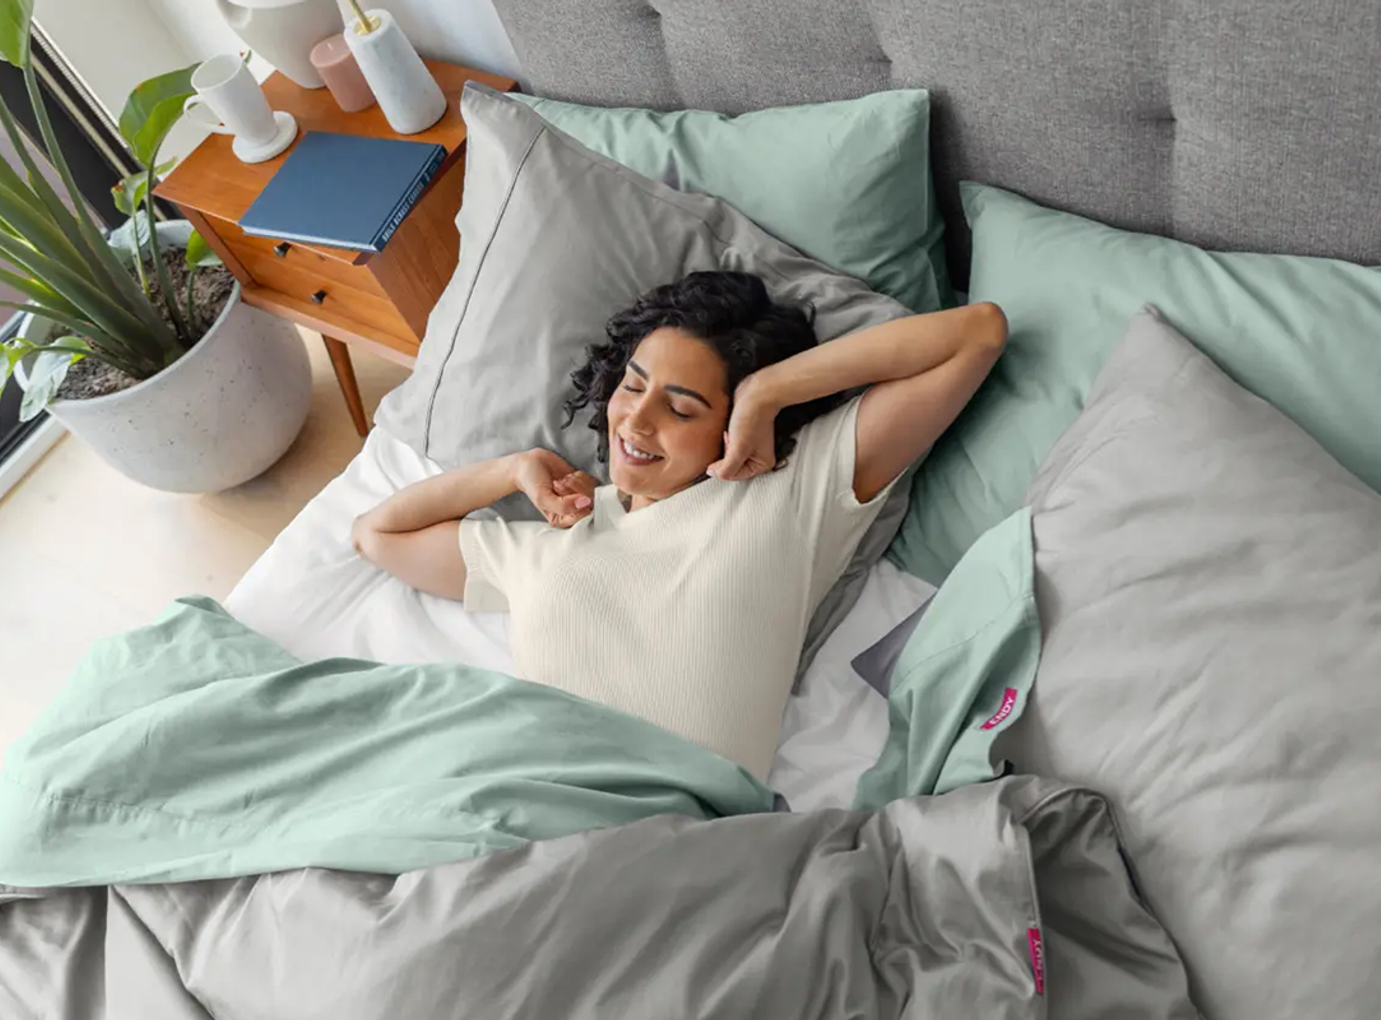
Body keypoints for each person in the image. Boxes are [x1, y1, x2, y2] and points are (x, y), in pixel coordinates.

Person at [352, 271, 1006, 777]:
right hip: (519, 797)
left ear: (731, 427)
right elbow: (376, 535)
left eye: (681, 408)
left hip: (670, 836)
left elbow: (976, 332)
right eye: (632, 387)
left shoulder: (791, 491)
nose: (636, 422)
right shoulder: (554, 538)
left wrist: (767, 391)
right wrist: (514, 471)